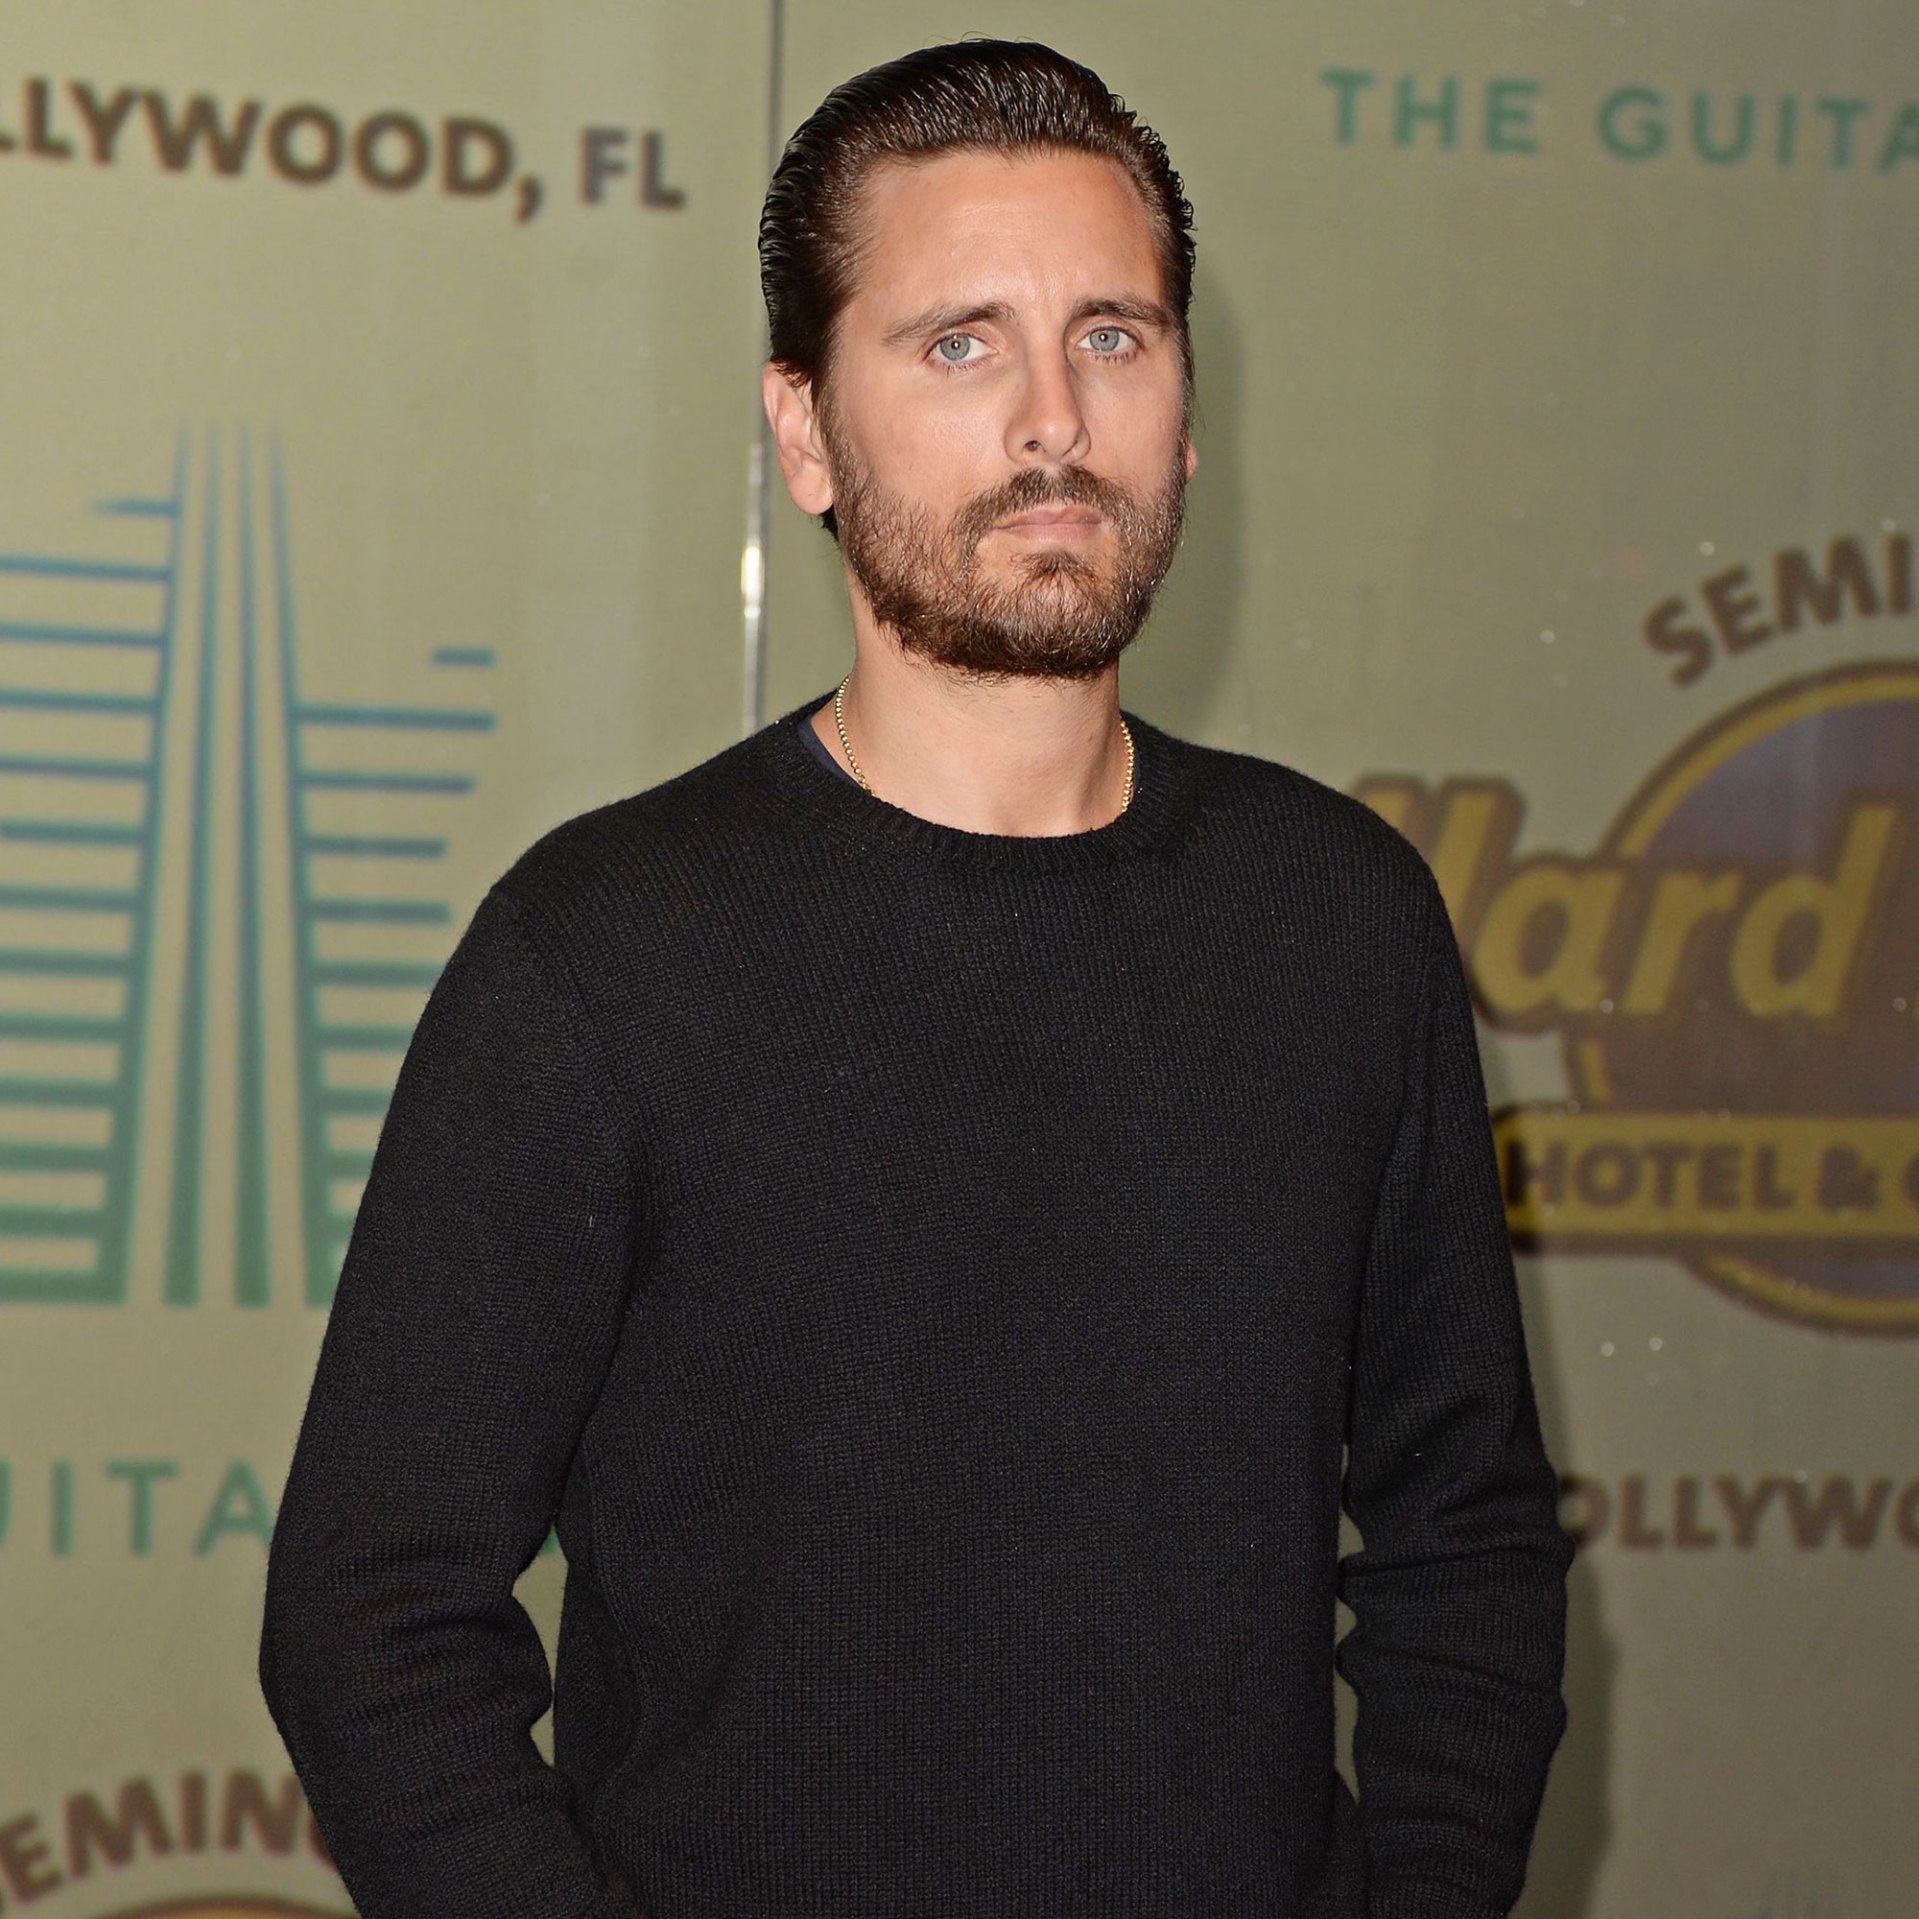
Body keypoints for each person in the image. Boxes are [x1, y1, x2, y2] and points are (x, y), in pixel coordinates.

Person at [260, 38, 1572, 1919]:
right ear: (803, 433)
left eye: (1112, 337)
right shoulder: (602, 953)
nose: (1054, 420)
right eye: (960, 344)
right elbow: (372, 1618)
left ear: (1188, 411)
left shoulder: (1343, 920)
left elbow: (1468, 1541)